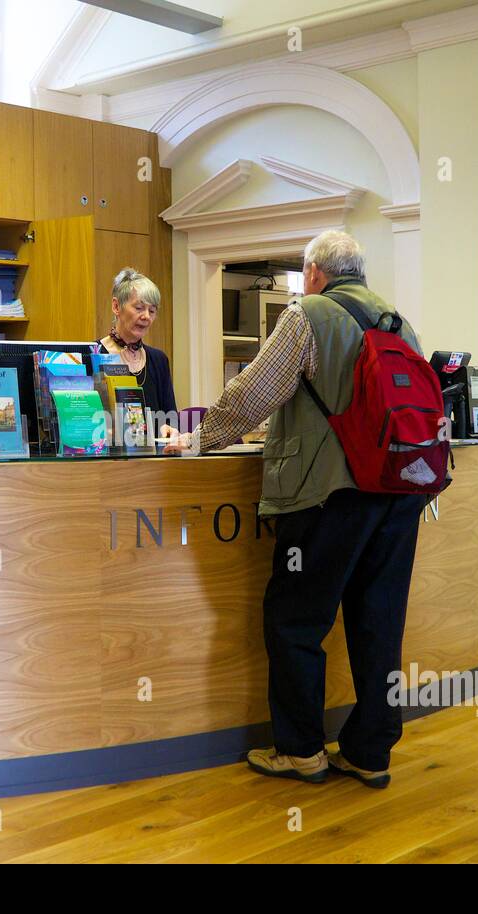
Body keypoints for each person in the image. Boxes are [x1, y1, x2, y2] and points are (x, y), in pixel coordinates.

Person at [169, 230, 427, 789]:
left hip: (326, 497)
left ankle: (301, 749)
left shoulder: (307, 314)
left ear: (314, 272)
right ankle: (369, 751)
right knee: (379, 625)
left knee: (295, 620)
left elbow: (254, 393)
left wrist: (199, 439)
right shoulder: (397, 322)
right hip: (398, 493)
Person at [98, 268, 179, 438]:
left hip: (153, 459)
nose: (146, 317)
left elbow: (170, 418)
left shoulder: (158, 360)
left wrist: (171, 430)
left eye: (152, 310)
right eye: (139, 308)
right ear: (116, 306)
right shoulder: (94, 354)